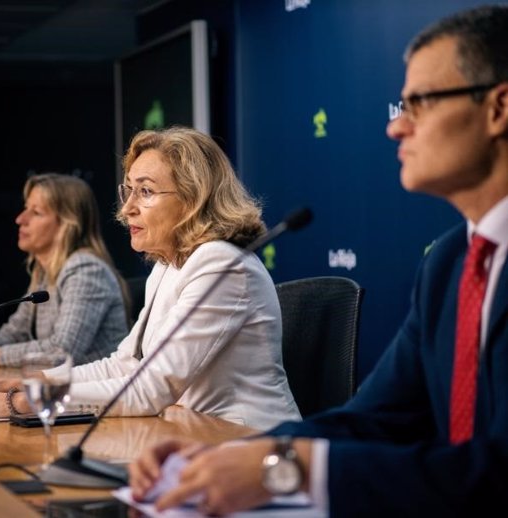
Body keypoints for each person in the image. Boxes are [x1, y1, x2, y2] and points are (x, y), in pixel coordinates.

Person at [128, 5, 508, 517]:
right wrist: (237, 454)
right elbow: (374, 418)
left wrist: (293, 469)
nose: (397, 127)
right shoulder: (449, 263)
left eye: (420, 102)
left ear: (498, 108)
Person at [0, 126, 301, 430]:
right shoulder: (168, 265)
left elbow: (151, 388)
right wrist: (16, 384)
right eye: (128, 190)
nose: (127, 207)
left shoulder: (222, 266)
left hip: (247, 442)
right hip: (186, 431)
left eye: (145, 191)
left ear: (193, 199)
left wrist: (18, 403)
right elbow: (125, 364)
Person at [0, 173, 129, 368]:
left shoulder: (86, 270)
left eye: (37, 212)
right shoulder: (45, 271)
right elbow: (16, 332)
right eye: (25, 208)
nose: (20, 219)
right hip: (63, 391)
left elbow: (62, 352)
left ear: (67, 225)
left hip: (96, 396)